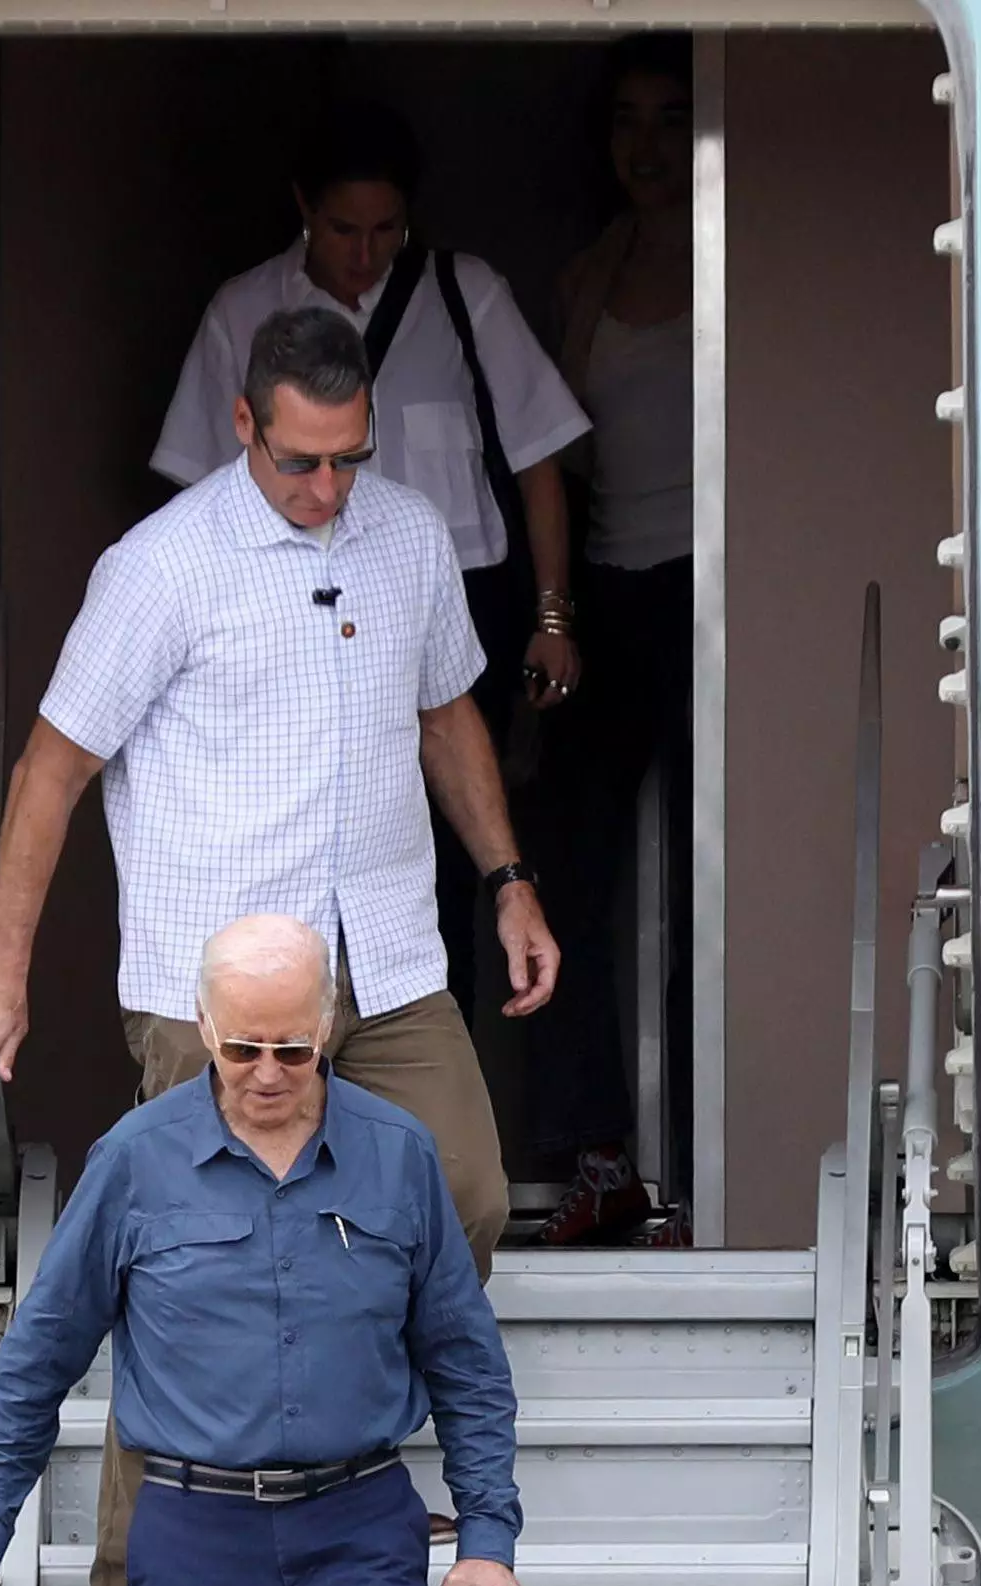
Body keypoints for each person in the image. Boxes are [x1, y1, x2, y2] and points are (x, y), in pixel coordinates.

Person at [0, 304, 557, 1586]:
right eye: (300, 462)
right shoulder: (162, 565)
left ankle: (341, 1461)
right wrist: (0, 975)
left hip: (383, 954)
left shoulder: (411, 540)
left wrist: (507, 880)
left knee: (468, 1186)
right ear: (243, 426)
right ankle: (133, 1572)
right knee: (177, 1279)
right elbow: (50, 774)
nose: (329, 487)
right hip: (211, 989)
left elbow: (447, 719)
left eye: (349, 457)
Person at [0, 915, 526, 1586]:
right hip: (193, 1535)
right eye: (242, 1048)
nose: (267, 1074)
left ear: (324, 1024)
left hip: (362, 1530)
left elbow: (464, 1360)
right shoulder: (133, 1159)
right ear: (203, 1026)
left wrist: (486, 1541)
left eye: (292, 1049)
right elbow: (40, 1353)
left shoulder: (399, 1153)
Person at [149, 104, 592, 1031]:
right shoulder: (242, 310)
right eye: (343, 229)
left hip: (450, 599)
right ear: (302, 206)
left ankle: (427, 1073)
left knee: (444, 861)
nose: (364, 253)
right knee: (297, 850)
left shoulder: (464, 293)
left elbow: (537, 455)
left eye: (385, 229)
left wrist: (552, 615)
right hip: (278, 595)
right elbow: (188, 494)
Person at [524, 33, 697, 1247]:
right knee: (565, 867)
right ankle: (596, 1158)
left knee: (705, 874)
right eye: (625, 118)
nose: (645, 143)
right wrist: (559, 609)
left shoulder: (746, 252)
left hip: (717, 585)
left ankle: (700, 1153)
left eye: (668, 116)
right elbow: (561, 451)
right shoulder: (588, 271)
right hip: (606, 578)